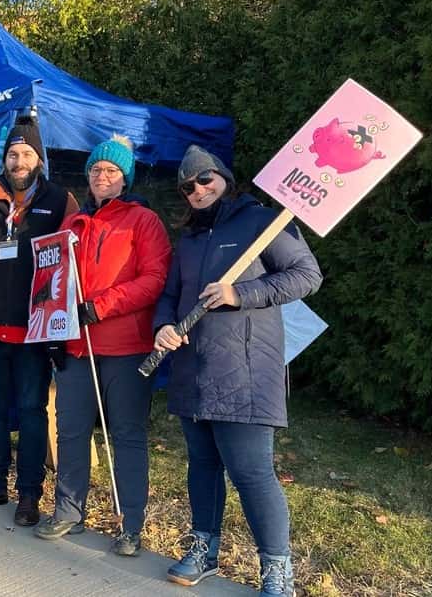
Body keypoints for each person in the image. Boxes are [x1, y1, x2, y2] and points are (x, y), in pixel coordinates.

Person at [153, 145, 322, 597]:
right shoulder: (187, 240)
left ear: (224, 177)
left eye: (205, 179)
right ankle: (204, 550)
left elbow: (307, 275)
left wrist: (239, 293)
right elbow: (171, 295)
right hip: (193, 370)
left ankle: (277, 571)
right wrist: (163, 326)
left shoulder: (264, 223)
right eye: (187, 186)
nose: (197, 190)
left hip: (246, 373)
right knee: (202, 467)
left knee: (251, 473)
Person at [34, 136, 171, 556]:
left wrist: (102, 306)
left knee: (126, 435)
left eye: (111, 170)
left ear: (124, 177)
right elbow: (52, 283)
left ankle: (131, 523)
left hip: (125, 348)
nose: (102, 176)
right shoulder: (73, 224)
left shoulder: (143, 221)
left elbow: (154, 279)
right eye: (96, 170)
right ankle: (69, 510)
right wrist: (55, 334)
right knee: (71, 430)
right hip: (77, 350)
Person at [0, 117, 78, 526]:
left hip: (32, 331)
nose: (18, 161)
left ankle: (29, 494)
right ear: (3, 159)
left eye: (26, 154)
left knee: (32, 411)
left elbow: (75, 258)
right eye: (12, 154)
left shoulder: (61, 201)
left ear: (38, 159)